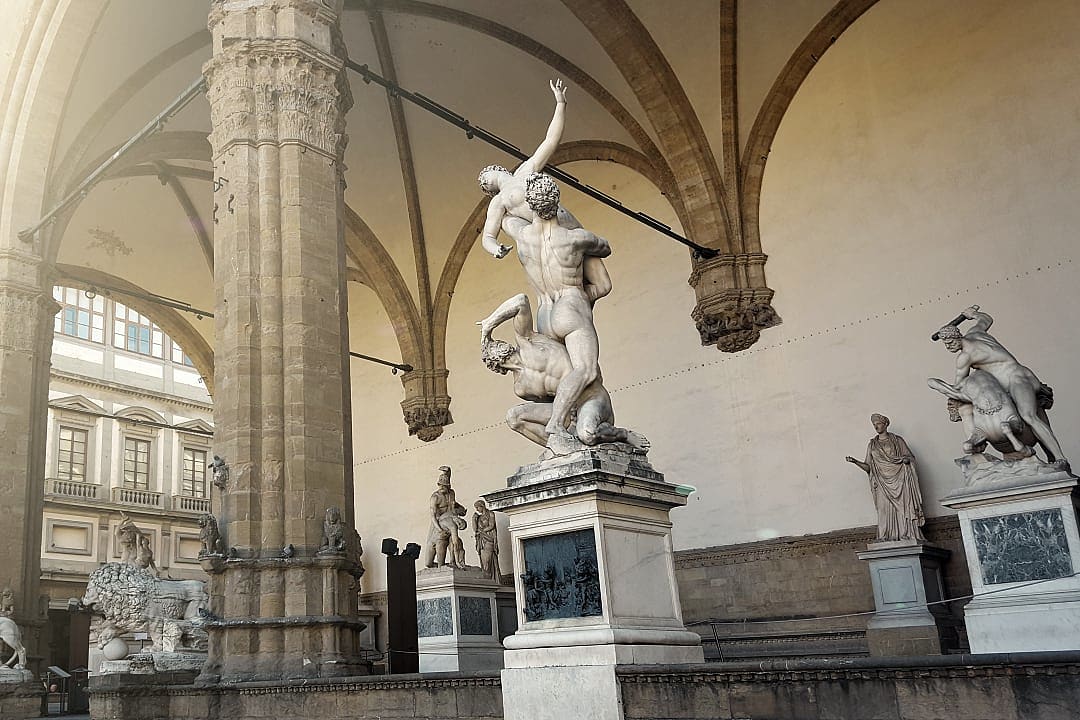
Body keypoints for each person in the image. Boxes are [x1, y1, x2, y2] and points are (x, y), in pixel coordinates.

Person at [478, 80, 612, 304]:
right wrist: (495, 249)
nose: (483, 182)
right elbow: (488, 235)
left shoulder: (525, 170)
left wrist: (560, 104)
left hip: (571, 226)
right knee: (577, 288)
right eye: (483, 185)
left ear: (498, 169)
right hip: (553, 237)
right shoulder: (499, 201)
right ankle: (570, 304)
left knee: (604, 285)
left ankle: (576, 304)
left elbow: (550, 141)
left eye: (484, 177)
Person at [479, 292, 648, 452]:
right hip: (566, 413)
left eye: (494, 342)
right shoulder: (521, 387)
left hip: (590, 396)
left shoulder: (527, 339)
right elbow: (551, 401)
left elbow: (520, 301)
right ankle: (564, 448)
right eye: (489, 347)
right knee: (514, 417)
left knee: (587, 434)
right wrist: (567, 416)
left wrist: (489, 324)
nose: (494, 344)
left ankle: (623, 434)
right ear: (494, 365)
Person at [936, 306, 1066, 466]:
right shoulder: (975, 333)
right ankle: (1049, 456)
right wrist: (973, 314)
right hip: (1017, 378)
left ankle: (1060, 458)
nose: (948, 347)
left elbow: (959, 385)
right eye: (945, 344)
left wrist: (941, 387)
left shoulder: (965, 357)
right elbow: (986, 319)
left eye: (949, 342)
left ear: (957, 336)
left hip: (1016, 380)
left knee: (1029, 416)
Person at [845, 414, 926, 543]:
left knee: (903, 508)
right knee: (883, 510)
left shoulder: (897, 440)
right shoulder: (872, 444)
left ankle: (907, 533)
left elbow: (910, 458)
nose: (876, 427)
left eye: (878, 423)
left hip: (899, 480)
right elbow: (868, 467)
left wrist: (906, 460)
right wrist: (855, 462)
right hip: (881, 483)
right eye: (874, 424)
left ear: (885, 424)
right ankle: (886, 535)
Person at [424, 466, 467, 568]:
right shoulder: (435, 497)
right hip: (438, 525)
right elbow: (433, 517)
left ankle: (451, 563)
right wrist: (440, 530)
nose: (442, 487)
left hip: (448, 524)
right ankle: (444, 565)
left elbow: (455, 542)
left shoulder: (451, 493)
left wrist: (459, 508)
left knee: (450, 546)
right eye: (440, 485)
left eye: (445, 486)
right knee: (428, 563)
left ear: (448, 486)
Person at [472, 500, 499, 581]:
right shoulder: (479, 517)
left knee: (487, 559)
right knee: (483, 560)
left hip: (489, 538)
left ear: (482, 506)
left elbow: (491, 525)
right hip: (481, 539)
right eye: (476, 508)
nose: (477, 509)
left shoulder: (490, 514)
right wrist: (473, 519)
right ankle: (487, 577)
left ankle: (489, 577)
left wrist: (482, 531)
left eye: (477, 507)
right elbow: (475, 530)